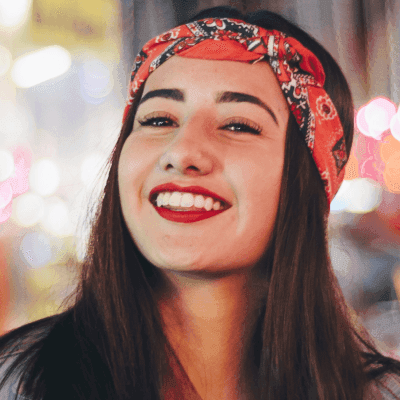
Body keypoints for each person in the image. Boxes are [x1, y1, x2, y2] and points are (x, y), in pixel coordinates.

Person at [1, 5, 400, 400]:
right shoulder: (19, 382)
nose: (183, 150)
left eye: (238, 125)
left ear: (307, 184)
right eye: (158, 120)